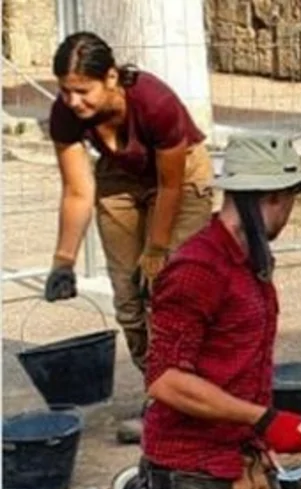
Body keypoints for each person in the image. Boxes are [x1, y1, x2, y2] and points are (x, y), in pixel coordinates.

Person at [69, 133, 301, 489]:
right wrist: (264, 419)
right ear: (273, 197)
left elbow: (241, 362)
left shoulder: (250, 259)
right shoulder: (197, 269)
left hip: (241, 456)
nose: (291, 213)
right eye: (291, 199)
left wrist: (257, 435)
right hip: (194, 462)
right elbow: (165, 381)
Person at [42, 31, 216, 444]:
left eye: (82, 91)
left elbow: (170, 186)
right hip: (121, 177)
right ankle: (161, 392)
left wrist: (156, 249)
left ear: (111, 77)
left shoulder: (154, 102)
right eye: (65, 91)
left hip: (179, 178)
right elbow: (77, 190)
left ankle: (189, 397)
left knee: (168, 290)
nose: (73, 101)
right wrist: (63, 262)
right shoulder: (65, 115)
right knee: (127, 298)